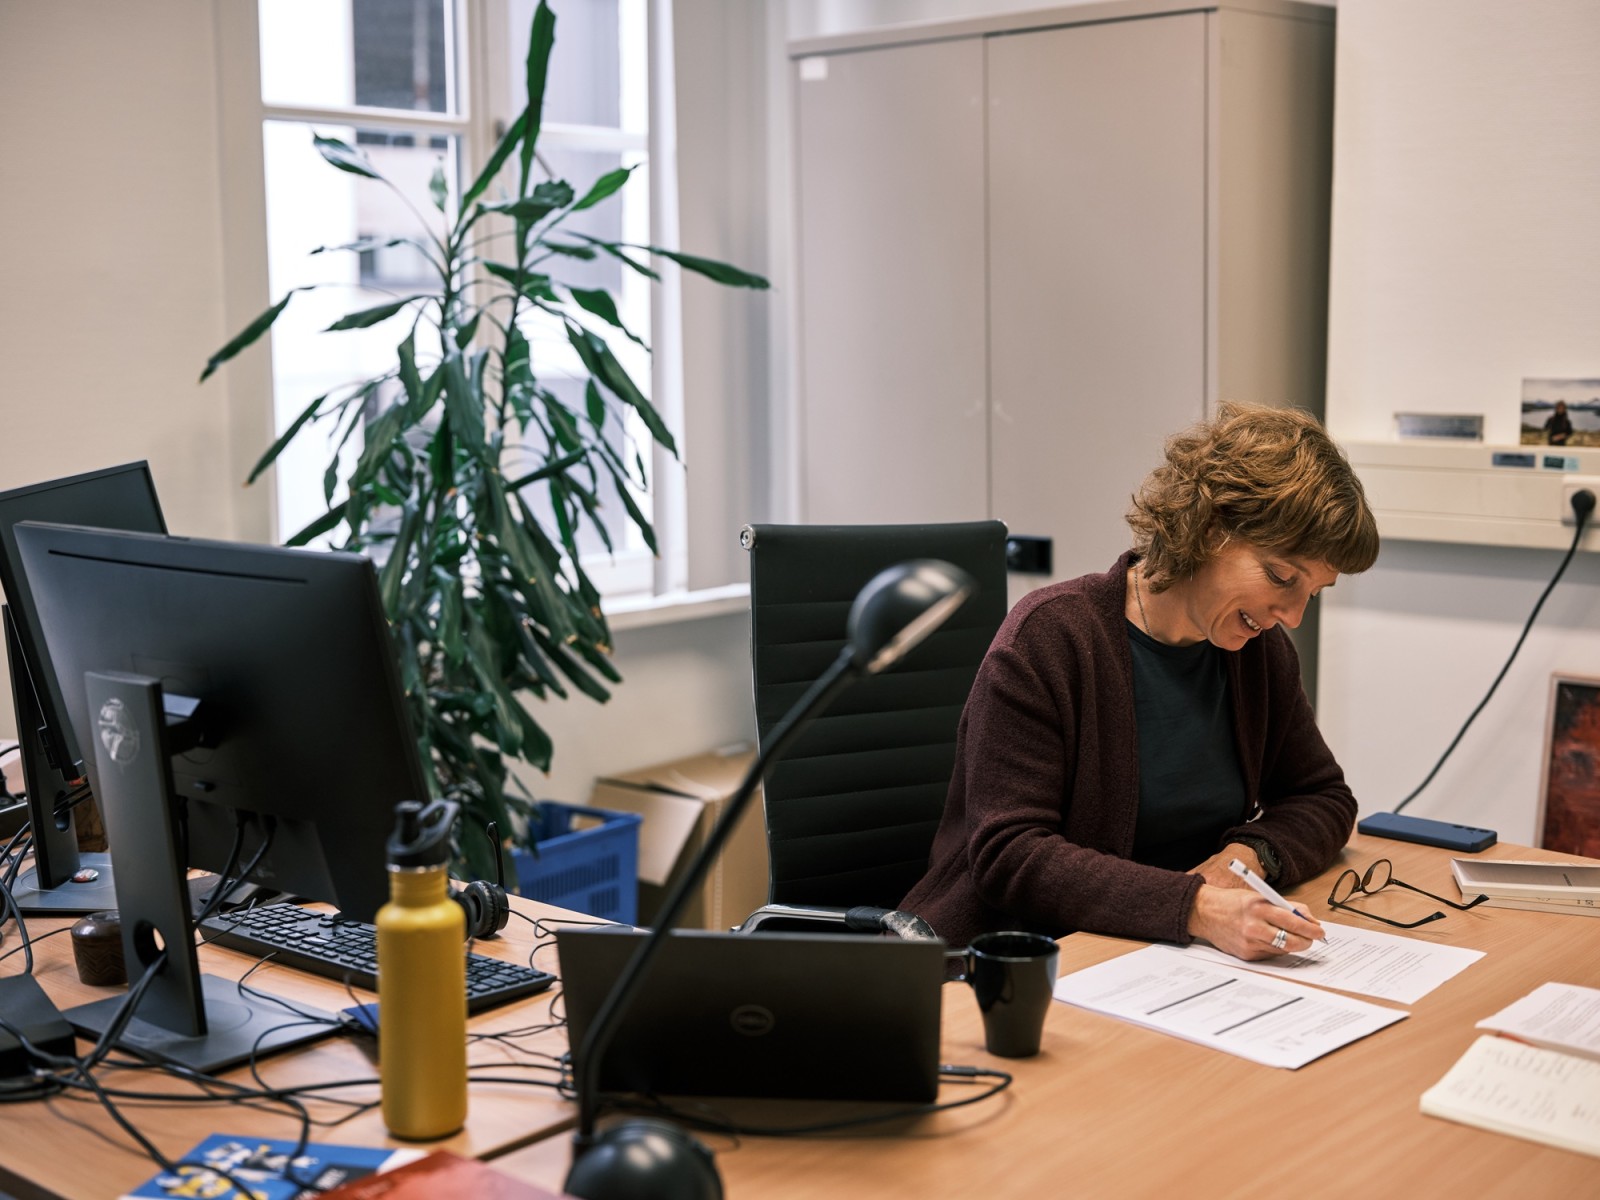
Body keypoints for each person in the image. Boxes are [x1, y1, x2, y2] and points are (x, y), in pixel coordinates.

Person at [901, 402, 1380, 961]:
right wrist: (1193, 906)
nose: (1294, 615)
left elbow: (1321, 796)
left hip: (1163, 956)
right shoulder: (1050, 638)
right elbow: (1011, 856)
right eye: (1281, 577)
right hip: (1024, 961)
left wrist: (1247, 858)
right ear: (1208, 528)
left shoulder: (1257, 651)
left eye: (1313, 593)